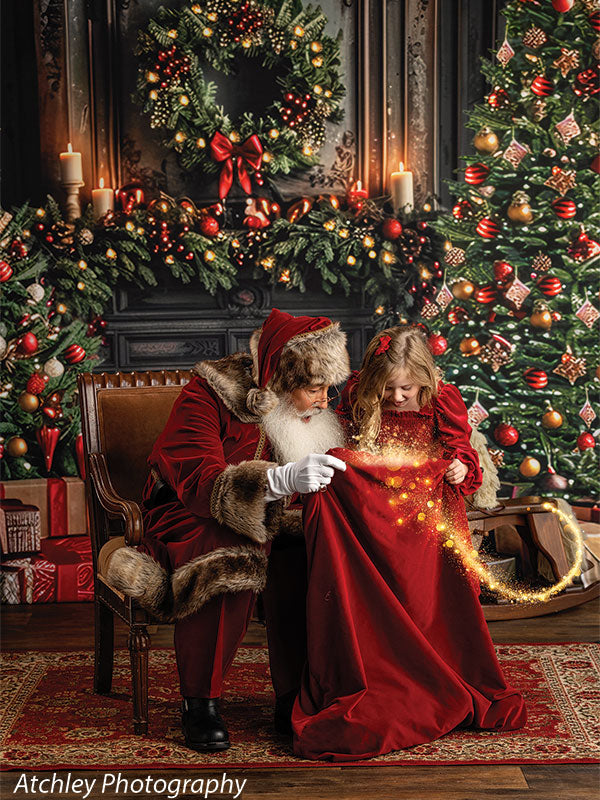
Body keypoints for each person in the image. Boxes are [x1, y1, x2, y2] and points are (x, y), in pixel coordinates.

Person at [105, 308, 350, 751]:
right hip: (190, 514)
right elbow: (199, 482)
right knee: (229, 552)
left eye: (327, 389)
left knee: (312, 548)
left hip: (276, 518)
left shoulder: (314, 414)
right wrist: (279, 480)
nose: (324, 401)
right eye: (315, 389)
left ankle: (296, 695)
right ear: (280, 380)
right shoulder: (207, 394)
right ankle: (200, 701)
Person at [291, 325, 528, 761]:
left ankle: (434, 669)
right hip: (375, 512)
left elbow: (465, 458)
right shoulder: (360, 398)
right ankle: (378, 660)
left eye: (407, 388)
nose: (398, 398)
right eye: (388, 389)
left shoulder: (444, 399)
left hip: (427, 515)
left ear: (425, 380)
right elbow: (339, 446)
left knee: (427, 599)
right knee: (339, 473)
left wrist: (459, 469)